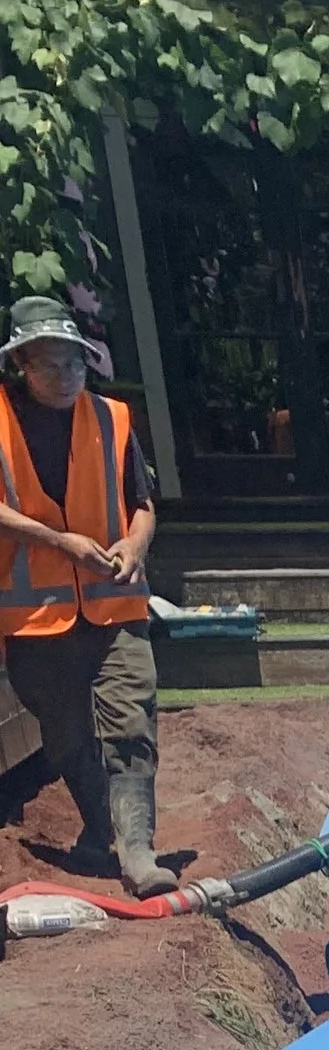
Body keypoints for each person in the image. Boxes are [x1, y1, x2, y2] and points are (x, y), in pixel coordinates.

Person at [0, 295, 172, 895]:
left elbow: (143, 503)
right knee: (68, 737)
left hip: (115, 605)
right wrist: (59, 542)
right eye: (54, 365)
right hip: (36, 622)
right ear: (22, 363)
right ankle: (102, 833)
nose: (70, 377)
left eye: (77, 363)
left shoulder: (112, 418)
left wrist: (135, 545)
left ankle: (139, 854)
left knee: (131, 722)